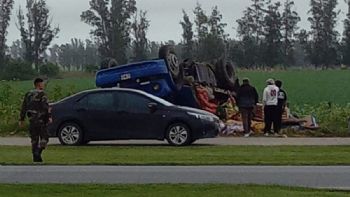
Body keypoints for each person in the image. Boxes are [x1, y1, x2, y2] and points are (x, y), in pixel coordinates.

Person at [19, 78, 52, 162]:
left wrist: (21, 119)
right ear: (38, 84)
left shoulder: (28, 94)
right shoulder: (42, 94)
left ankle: (35, 158)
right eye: (42, 83)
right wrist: (49, 117)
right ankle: (38, 152)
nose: (43, 85)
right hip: (41, 120)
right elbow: (45, 107)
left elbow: (24, 107)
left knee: (34, 140)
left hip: (32, 120)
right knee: (45, 138)